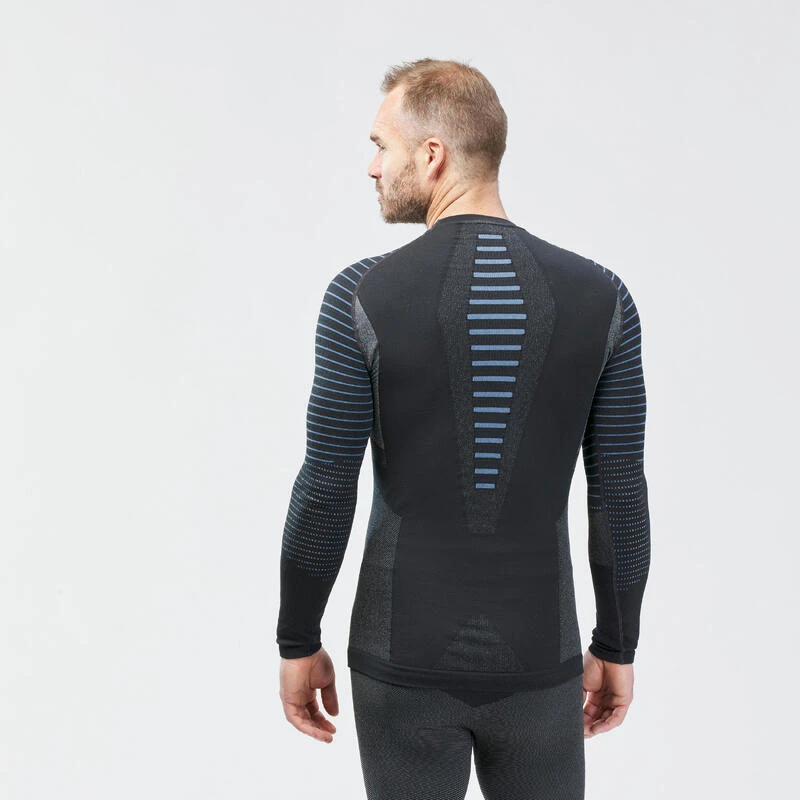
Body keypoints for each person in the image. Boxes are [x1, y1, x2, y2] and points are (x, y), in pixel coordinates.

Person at [276, 57, 651, 800]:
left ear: (432, 154)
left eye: (381, 145)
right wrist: (617, 643)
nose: (371, 167)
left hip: (399, 657)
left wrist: (297, 638)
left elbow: (324, 486)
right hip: (539, 658)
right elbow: (619, 493)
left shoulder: (360, 295)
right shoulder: (603, 297)